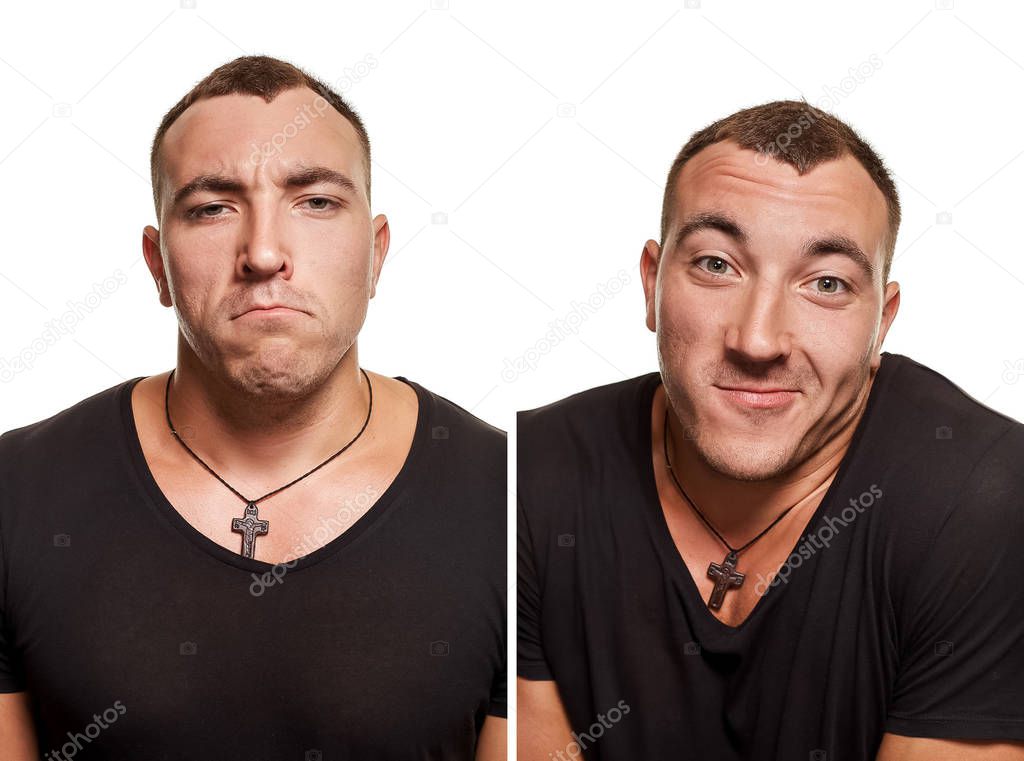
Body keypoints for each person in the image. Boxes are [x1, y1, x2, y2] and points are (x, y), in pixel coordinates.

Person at [0, 55, 506, 760]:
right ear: (157, 266)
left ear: (376, 253)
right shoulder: (16, 491)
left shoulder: (514, 503)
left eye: (317, 201)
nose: (264, 252)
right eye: (212, 207)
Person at [517, 100, 1024, 760]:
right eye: (716, 265)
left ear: (883, 322)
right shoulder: (524, 474)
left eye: (827, 283)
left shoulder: (983, 499)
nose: (758, 339)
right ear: (651, 282)